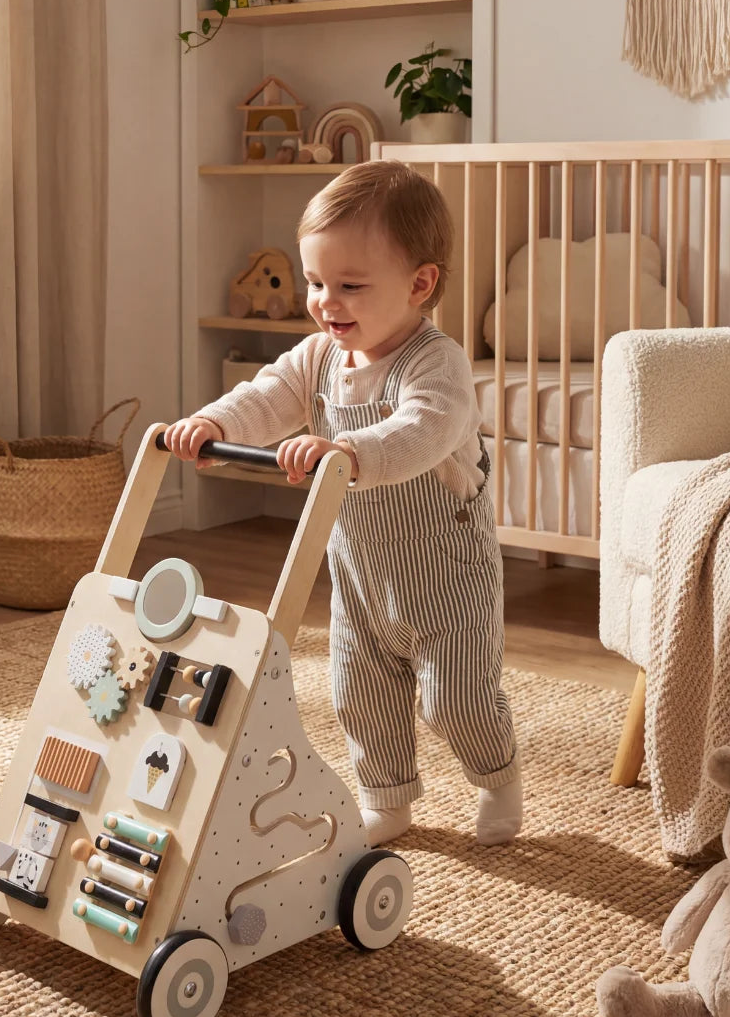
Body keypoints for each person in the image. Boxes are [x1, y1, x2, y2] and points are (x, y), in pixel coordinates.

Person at [164, 159, 522, 847]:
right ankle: (386, 797)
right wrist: (213, 424)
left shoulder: (436, 364)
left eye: (351, 286)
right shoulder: (317, 358)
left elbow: (420, 431)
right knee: (359, 692)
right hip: (359, 573)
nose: (327, 302)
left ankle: (498, 776)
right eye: (315, 282)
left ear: (420, 284)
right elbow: (264, 398)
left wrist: (349, 452)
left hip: (447, 577)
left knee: (456, 699)